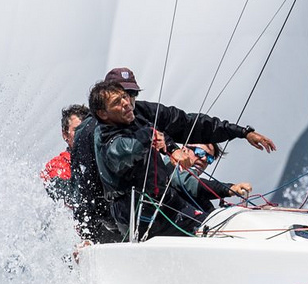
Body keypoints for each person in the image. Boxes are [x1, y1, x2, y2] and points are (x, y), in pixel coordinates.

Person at [70, 67, 276, 241]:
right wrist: (87, 235)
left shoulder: (139, 113)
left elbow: (189, 124)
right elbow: (107, 163)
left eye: (131, 94)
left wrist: (242, 132)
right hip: (116, 217)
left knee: (216, 224)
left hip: (161, 203)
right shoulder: (91, 132)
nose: (128, 101)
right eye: (120, 97)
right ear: (104, 107)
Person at [173, 143, 254, 216]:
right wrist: (229, 189)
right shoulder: (169, 164)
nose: (204, 159)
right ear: (184, 150)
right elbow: (187, 182)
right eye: (200, 152)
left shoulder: (203, 202)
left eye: (210, 158)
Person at [41, 104, 90, 205]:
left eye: (86, 129)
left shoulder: (101, 157)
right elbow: (67, 198)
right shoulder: (56, 166)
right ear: (65, 135)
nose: (82, 134)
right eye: (77, 130)